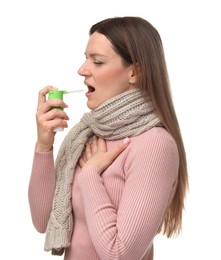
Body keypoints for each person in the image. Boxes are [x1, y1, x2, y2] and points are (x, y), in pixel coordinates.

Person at [28, 16, 188, 260]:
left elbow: (120, 254)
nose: (82, 70)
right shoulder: (86, 135)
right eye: (85, 58)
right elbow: (43, 221)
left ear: (134, 72)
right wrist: (44, 146)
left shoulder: (154, 145)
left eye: (98, 61)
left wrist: (91, 176)